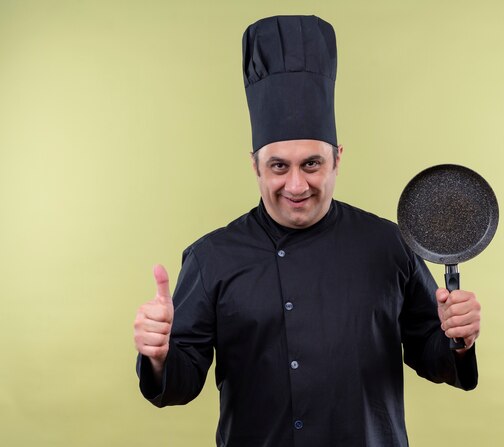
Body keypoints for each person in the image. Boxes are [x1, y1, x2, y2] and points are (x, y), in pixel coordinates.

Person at [134, 15, 481, 447]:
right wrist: (160, 356)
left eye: (311, 164)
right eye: (278, 166)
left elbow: (435, 356)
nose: (296, 185)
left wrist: (458, 340)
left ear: (337, 158)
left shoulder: (389, 245)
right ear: (255, 165)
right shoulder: (211, 259)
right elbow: (180, 385)